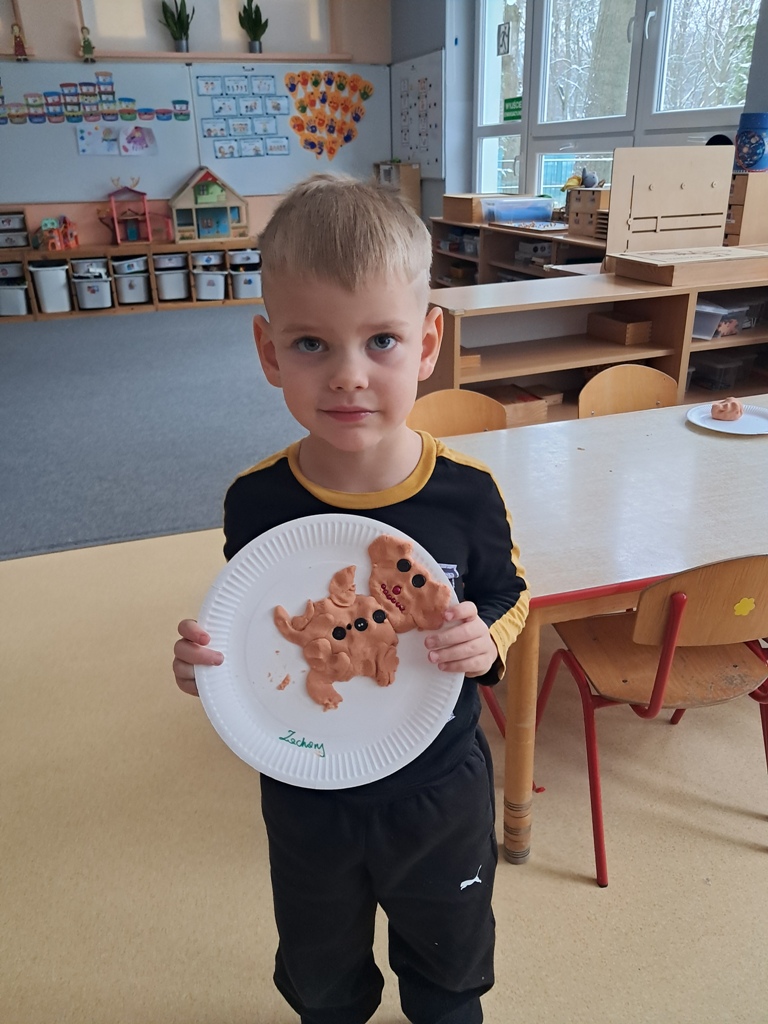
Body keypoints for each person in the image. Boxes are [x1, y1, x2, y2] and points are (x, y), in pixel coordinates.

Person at [173, 172, 530, 1024]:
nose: (347, 377)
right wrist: (207, 667)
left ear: (428, 342)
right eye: (311, 344)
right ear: (268, 351)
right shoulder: (256, 502)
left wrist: (486, 642)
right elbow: (257, 633)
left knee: (448, 977)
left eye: (381, 341)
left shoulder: (467, 494)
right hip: (306, 794)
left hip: (438, 789)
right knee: (323, 981)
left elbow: (507, 594)